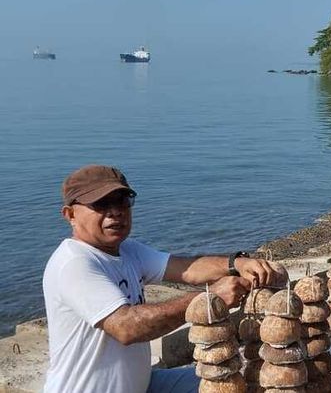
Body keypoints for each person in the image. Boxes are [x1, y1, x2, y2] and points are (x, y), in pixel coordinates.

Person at [43, 164, 287, 393]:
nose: (115, 211)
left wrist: (236, 263)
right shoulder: (74, 263)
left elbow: (187, 268)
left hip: (143, 385)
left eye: (123, 201)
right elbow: (127, 327)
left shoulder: (128, 250)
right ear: (70, 214)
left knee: (239, 381)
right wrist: (209, 299)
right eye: (101, 204)